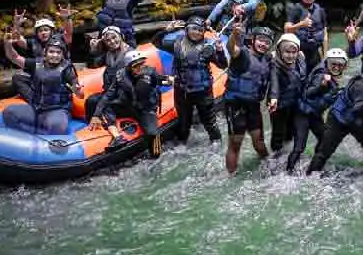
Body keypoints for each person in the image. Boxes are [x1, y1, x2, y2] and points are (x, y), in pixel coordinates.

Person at [306, 55, 363, 175]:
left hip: (359, 124)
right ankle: (310, 176)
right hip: (339, 120)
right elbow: (357, 111)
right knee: (324, 152)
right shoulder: (360, 84)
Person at [152, 16, 226, 145]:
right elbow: (156, 42)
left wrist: (219, 51)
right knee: (184, 121)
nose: (196, 32)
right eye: (193, 29)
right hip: (182, 91)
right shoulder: (176, 43)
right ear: (186, 29)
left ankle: (216, 141)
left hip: (203, 92)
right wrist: (166, 30)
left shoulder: (208, 46)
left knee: (209, 121)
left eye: (199, 30)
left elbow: (222, 65)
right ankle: (182, 143)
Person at [91, 49, 170, 158]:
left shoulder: (150, 72)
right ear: (129, 67)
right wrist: (96, 115)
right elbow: (109, 95)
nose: (140, 68)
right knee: (106, 106)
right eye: (136, 66)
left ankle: (156, 156)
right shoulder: (120, 76)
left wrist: (171, 79)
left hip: (146, 109)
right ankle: (117, 138)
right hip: (128, 106)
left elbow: (161, 79)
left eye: (141, 64)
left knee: (152, 133)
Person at [1, 35, 82, 136]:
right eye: (51, 52)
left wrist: (77, 91)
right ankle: (34, 135)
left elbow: (80, 95)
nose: (55, 55)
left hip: (57, 110)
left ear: (62, 54)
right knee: (9, 113)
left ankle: (40, 134)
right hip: (36, 108)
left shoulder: (67, 69)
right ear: (45, 53)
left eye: (58, 52)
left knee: (58, 126)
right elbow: (14, 57)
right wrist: (7, 44)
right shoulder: (36, 64)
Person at [223, 21, 274, 174]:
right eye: (260, 40)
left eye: (267, 42)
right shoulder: (242, 53)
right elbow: (231, 48)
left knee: (259, 142)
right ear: (253, 40)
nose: (263, 44)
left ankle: (269, 166)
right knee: (235, 143)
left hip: (253, 106)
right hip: (235, 105)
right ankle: (230, 176)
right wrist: (234, 35)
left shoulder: (267, 59)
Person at [286, 48, 348, 173]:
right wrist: (322, 85)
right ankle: (288, 173)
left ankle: (314, 164)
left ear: (344, 66)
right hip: (302, 114)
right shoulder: (321, 75)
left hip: (314, 115)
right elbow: (308, 94)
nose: (336, 67)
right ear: (327, 63)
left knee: (324, 139)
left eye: (339, 65)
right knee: (299, 147)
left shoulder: (330, 76)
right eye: (333, 64)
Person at [10, 6, 74, 102]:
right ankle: (35, 100)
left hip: (59, 74)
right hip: (41, 75)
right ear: (37, 33)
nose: (43, 33)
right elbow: (17, 39)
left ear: (51, 31)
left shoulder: (61, 39)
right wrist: (16, 25)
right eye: (40, 31)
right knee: (17, 78)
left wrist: (66, 18)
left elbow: (69, 32)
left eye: (46, 30)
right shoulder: (33, 43)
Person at [83, 26, 131, 147]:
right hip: (111, 92)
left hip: (125, 96)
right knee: (90, 101)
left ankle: (116, 136)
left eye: (114, 38)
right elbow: (93, 65)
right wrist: (93, 50)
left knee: (104, 105)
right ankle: (92, 130)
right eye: (108, 40)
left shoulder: (130, 55)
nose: (112, 42)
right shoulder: (109, 54)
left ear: (121, 36)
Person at [267, 33, 307, 155]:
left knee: (290, 131)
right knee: (278, 133)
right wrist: (274, 98)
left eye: (293, 52)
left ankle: (287, 152)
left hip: (294, 102)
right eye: (287, 52)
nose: (290, 55)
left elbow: (304, 79)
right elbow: (274, 82)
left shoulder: (300, 58)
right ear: (279, 51)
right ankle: (275, 157)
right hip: (279, 105)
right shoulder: (274, 64)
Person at [283, 0, 328, 72]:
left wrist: (325, 56)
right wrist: (301, 24)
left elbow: (325, 34)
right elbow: (286, 30)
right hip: (298, 53)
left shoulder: (320, 10)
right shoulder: (295, 9)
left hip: (315, 54)